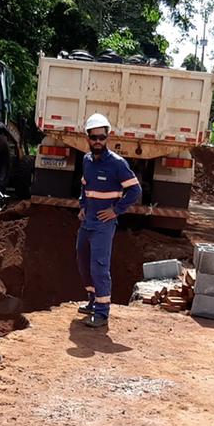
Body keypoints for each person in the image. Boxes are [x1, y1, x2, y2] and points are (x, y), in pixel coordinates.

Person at [77, 113, 141, 328]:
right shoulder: (86, 160)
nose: (97, 142)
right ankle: (93, 302)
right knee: (83, 262)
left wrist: (116, 210)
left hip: (104, 225)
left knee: (99, 266)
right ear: (87, 138)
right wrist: (83, 207)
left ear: (107, 137)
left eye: (101, 138)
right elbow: (85, 186)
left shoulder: (117, 164)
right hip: (87, 223)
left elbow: (135, 189)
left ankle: (102, 313)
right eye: (93, 138)